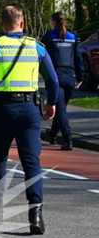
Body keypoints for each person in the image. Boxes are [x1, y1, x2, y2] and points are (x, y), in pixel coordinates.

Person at [0, 5, 59, 235]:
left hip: (1, 111)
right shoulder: (37, 47)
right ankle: (35, 214)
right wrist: (52, 103)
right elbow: (53, 81)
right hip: (29, 111)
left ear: (1, 25)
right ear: (22, 23)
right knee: (31, 162)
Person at [41, 11, 84, 150]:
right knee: (61, 108)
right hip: (70, 76)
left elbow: (40, 54)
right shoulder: (73, 37)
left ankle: (68, 138)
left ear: (53, 22)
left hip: (55, 76)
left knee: (60, 109)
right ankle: (53, 134)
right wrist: (80, 76)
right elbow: (78, 58)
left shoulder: (49, 37)